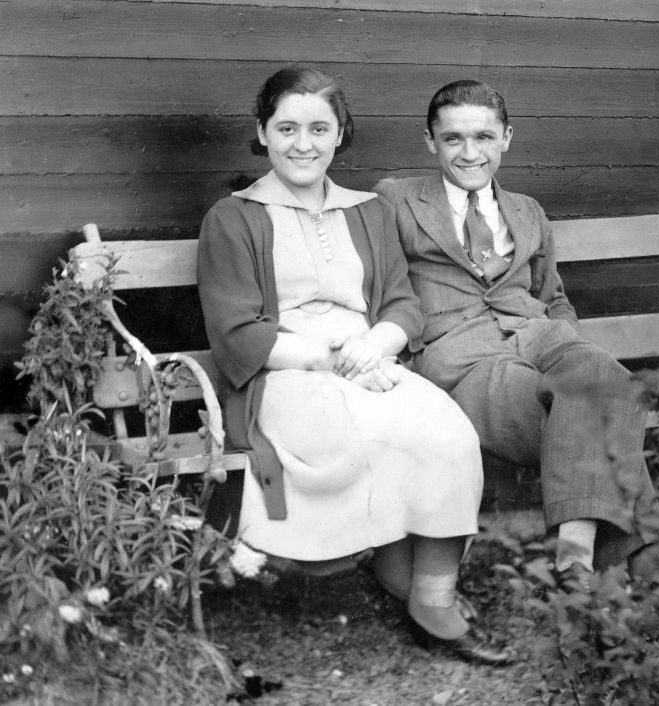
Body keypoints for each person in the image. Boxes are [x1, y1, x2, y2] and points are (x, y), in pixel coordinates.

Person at [197, 67, 511, 665]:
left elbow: (400, 302)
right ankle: (398, 573)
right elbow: (236, 334)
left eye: (320, 127)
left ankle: (432, 597)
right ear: (261, 133)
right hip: (283, 375)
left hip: (370, 361)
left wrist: (382, 342)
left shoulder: (367, 211)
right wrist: (334, 358)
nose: (303, 143)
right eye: (286, 127)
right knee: (378, 432)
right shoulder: (232, 218)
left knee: (448, 432)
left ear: (341, 135)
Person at [374, 80, 659, 592]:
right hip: (458, 353)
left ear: (507, 138)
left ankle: (576, 557)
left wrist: (561, 343)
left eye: (484, 137)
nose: (469, 152)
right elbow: (379, 288)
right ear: (429, 141)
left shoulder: (528, 210)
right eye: (453, 139)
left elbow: (554, 297)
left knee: (601, 377)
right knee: (596, 414)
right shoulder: (395, 198)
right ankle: (622, 565)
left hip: (536, 333)